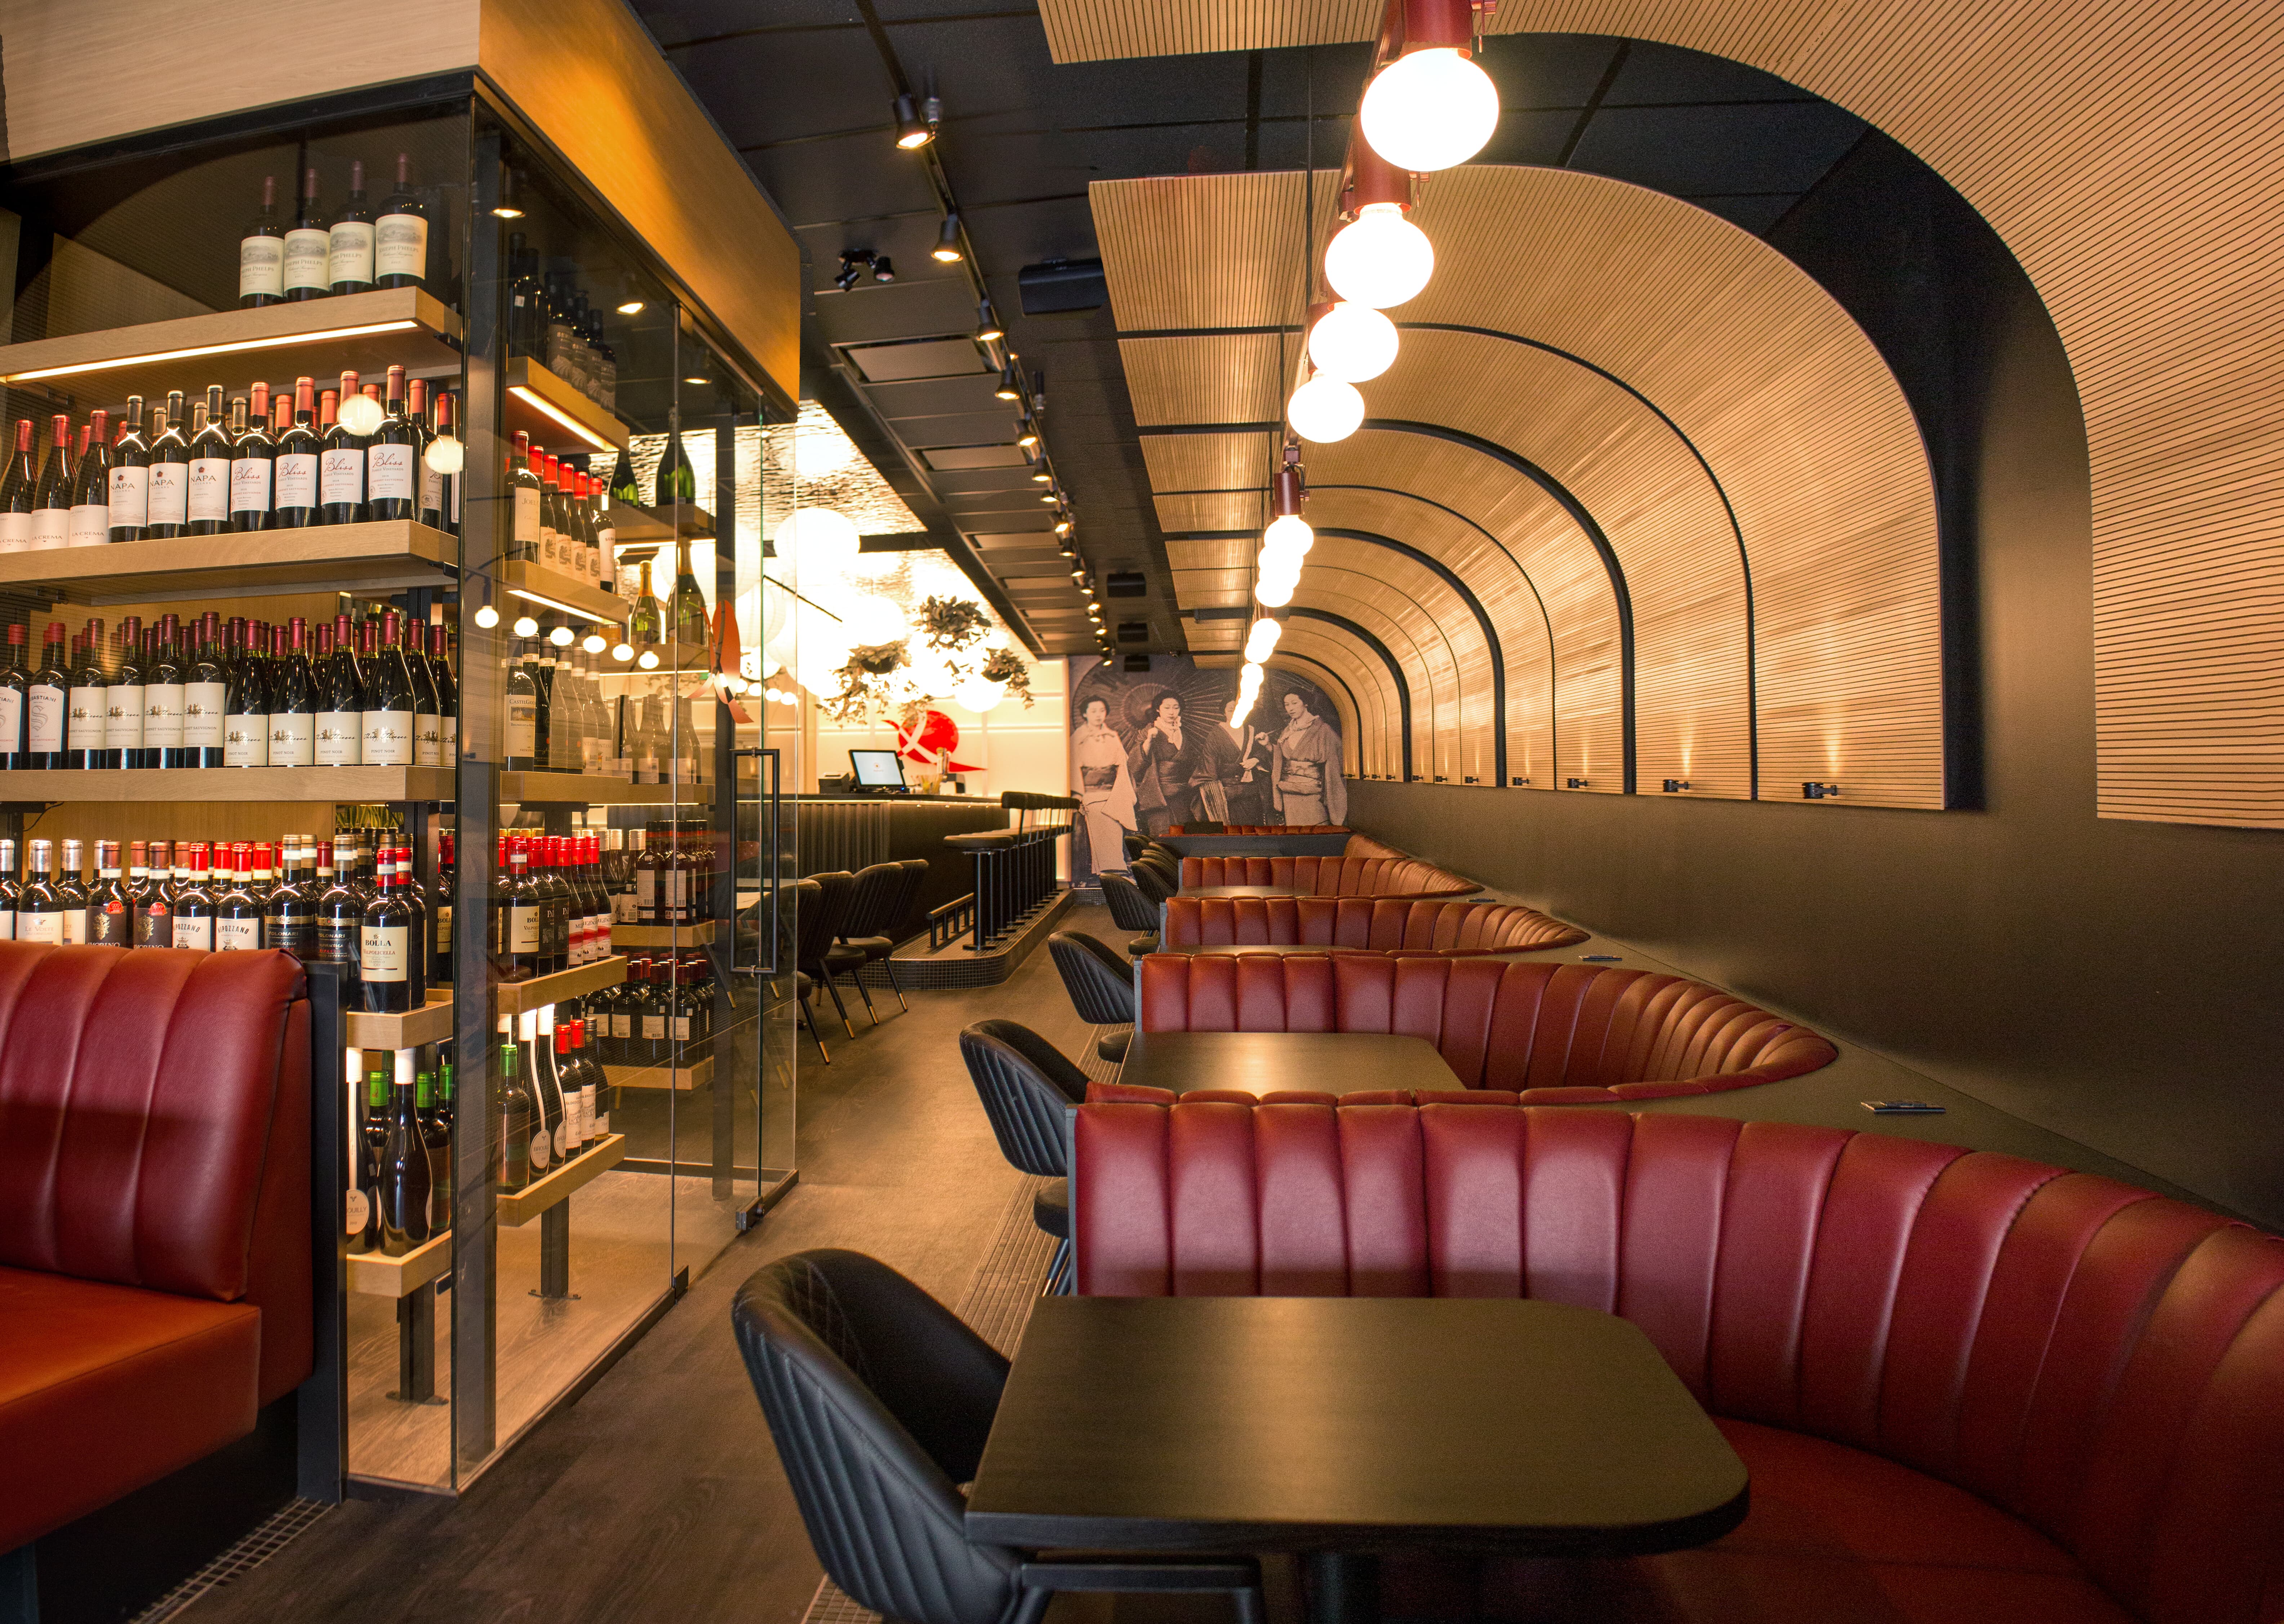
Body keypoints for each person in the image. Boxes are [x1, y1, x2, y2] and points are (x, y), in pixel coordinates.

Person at [1070, 696, 1137, 879]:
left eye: (1102, 711)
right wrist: (1079, 795)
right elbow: (1073, 769)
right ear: (1085, 714)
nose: (1099, 715)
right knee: (1101, 835)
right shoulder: (1078, 738)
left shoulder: (1112, 736)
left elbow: (1122, 767)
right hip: (1091, 795)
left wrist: (1121, 792)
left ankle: (1112, 873)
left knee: (1115, 834)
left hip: (1113, 793)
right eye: (1093, 711)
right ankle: (1113, 872)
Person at [1127, 691, 1208, 836]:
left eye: (1176, 708)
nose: (1172, 712)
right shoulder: (1149, 731)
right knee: (1163, 835)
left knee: (1184, 835)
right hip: (1159, 795)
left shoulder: (1183, 732)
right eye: (1167, 708)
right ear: (1158, 709)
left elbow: (1192, 762)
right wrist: (1149, 741)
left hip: (1183, 794)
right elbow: (1134, 765)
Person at [1270, 689, 1346, 826]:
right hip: (1289, 794)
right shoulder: (1287, 732)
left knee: (1316, 832)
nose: (1290, 708)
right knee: (1294, 833)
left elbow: (1335, 765)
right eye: (1287, 705)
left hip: (1313, 795)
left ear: (1305, 703)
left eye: (1294, 703)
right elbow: (1279, 761)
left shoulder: (1323, 730)